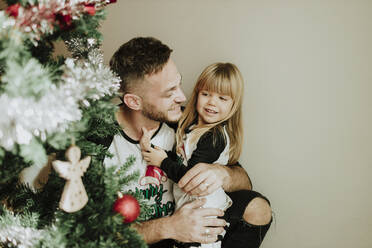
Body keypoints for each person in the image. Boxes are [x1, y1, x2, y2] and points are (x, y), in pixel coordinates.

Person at [104, 37, 272, 248]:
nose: (183, 98)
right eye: (169, 92)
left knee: (258, 206)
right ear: (133, 101)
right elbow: (88, 231)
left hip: (197, 218)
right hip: (144, 239)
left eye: (179, 84)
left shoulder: (184, 123)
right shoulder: (97, 143)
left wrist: (221, 173)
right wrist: (170, 227)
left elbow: (243, 180)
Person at [139, 62, 245, 248]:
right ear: (197, 95)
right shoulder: (194, 128)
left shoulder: (214, 137)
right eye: (206, 94)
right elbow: (181, 159)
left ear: (233, 105)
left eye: (222, 98)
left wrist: (162, 161)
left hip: (204, 208)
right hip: (188, 205)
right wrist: (155, 149)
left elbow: (188, 177)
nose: (212, 102)